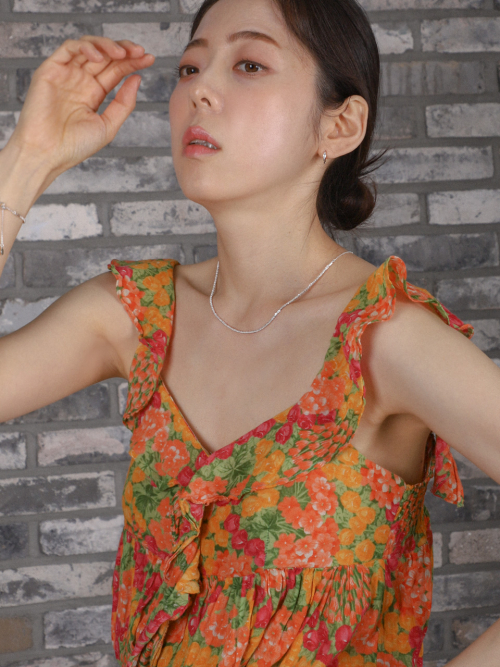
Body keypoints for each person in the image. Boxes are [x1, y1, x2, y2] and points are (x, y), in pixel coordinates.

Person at [0, 0, 499, 665]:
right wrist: (27, 159)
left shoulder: (385, 339)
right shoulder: (137, 315)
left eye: (250, 64)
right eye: (190, 67)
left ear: (340, 125)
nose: (200, 90)